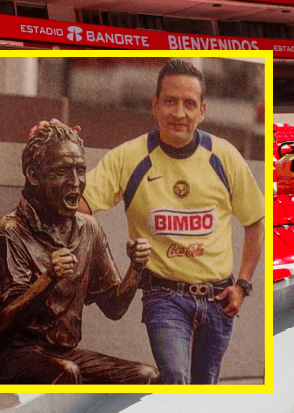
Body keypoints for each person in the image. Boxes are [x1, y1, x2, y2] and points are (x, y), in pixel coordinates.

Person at [79, 59, 265, 384]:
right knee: (176, 379)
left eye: (189, 104)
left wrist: (243, 286)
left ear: (202, 111)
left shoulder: (223, 156)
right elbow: (79, 208)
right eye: (170, 101)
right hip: (164, 299)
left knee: (205, 389)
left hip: (218, 301)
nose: (180, 113)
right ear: (155, 105)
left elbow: (256, 222)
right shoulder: (129, 157)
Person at [0, 120, 158, 385]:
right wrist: (49, 277)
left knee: (146, 376)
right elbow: (5, 321)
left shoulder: (89, 230)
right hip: (5, 357)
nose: (75, 182)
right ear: (34, 176)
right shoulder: (8, 232)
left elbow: (114, 307)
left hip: (62, 355)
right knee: (66, 372)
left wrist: (136, 268)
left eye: (80, 170)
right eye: (62, 171)